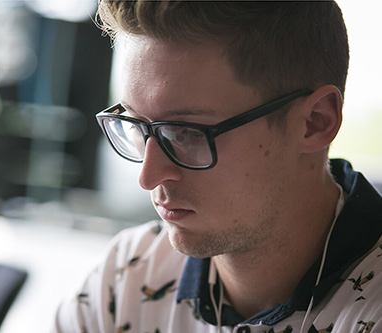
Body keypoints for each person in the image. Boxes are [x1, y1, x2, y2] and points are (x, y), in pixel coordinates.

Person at [54, 1, 382, 332]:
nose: (148, 176)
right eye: (137, 125)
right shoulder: (127, 275)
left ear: (314, 122)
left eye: (186, 133)